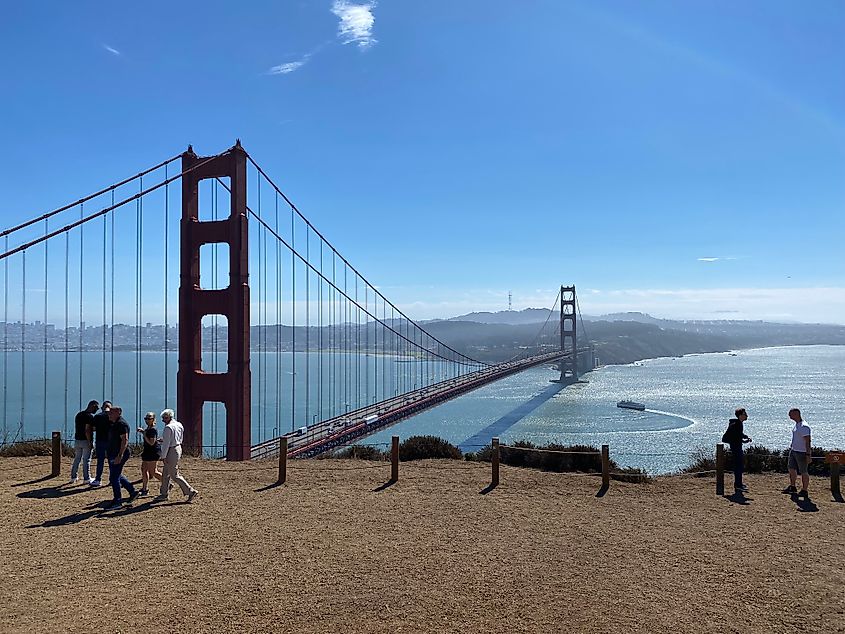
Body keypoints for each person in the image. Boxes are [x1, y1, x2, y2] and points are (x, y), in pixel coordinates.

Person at [155, 409, 198, 503]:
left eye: (164, 418)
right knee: (166, 473)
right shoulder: (179, 424)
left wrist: (163, 456)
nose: (163, 420)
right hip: (178, 448)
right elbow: (178, 438)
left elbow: (166, 444)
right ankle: (164, 494)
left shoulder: (168, 428)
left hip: (171, 451)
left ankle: (190, 491)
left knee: (174, 475)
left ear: (168, 417)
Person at [105, 405, 138, 509]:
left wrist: (120, 455)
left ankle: (118, 501)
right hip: (113, 453)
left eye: (111, 412)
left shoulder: (121, 424)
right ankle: (132, 491)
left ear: (118, 413)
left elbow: (125, 440)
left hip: (119, 454)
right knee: (116, 475)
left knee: (114, 477)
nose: (109, 414)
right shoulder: (114, 423)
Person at [722, 408, 752, 492]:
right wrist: (744, 440)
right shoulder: (736, 424)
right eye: (745, 414)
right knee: (739, 466)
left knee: (739, 466)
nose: (747, 415)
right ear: (740, 415)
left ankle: (739, 483)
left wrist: (745, 437)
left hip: (736, 446)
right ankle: (738, 484)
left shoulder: (738, 424)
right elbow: (736, 436)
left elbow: (739, 434)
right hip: (736, 447)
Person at [786, 408, 812, 498]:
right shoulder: (797, 424)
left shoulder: (804, 426)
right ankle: (792, 486)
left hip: (802, 452)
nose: (789, 416)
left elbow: (808, 441)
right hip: (794, 450)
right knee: (791, 468)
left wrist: (808, 454)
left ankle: (804, 490)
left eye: (791, 414)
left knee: (803, 471)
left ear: (796, 414)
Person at [70, 400, 98, 484]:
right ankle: (87, 478)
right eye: (96, 407)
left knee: (77, 459)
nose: (97, 410)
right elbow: (87, 430)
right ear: (92, 406)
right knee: (86, 460)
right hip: (85, 440)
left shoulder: (79, 415)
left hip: (77, 440)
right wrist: (90, 442)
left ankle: (73, 477)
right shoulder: (89, 417)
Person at [136, 412, 163, 495]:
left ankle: (167, 483)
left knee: (153, 472)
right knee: (144, 470)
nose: (147, 420)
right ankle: (145, 489)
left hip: (152, 453)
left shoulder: (153, 430)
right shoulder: (148, 429)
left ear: (153, 420)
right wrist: (143, 432)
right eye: (146, 418)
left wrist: (144, 435)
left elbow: (151, 443)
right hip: (147, 452)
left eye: (149, 419)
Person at [89, 401, 112, 487]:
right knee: (111, 461)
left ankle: (98, 479)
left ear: (102, 408)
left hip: (100, 441)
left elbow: (93, 428)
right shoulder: (112, 417)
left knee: (100, 461)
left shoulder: (97, 416)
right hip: (111, 442)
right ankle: (112, 479)